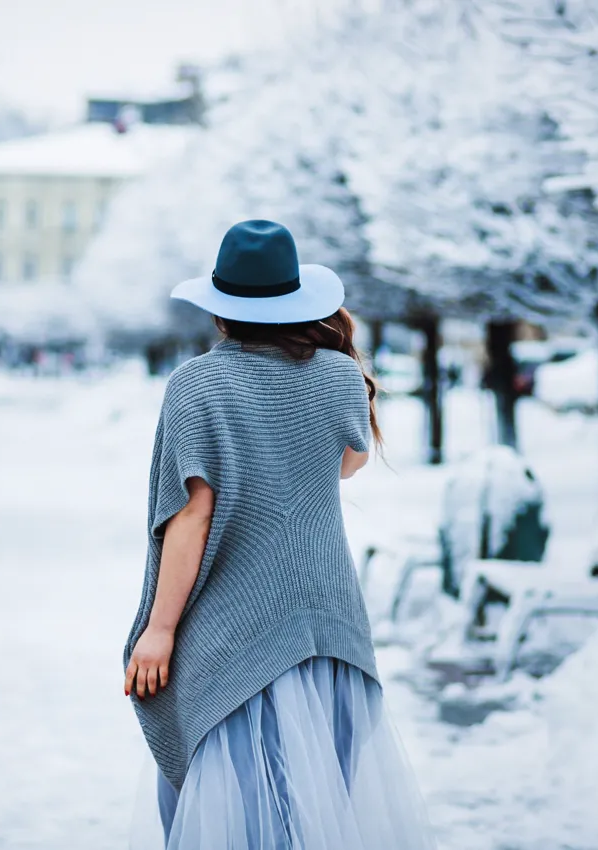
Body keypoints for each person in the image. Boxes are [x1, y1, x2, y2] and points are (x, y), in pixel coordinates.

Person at [123, 220, 436, 848]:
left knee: (231, 813)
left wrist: (158, 630)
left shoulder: (195, 385)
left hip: (236, 623)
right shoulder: (339, 375)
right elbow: (347, 461)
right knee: (320, 805)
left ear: (221, 312)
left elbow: (191, 515)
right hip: (328, 620)